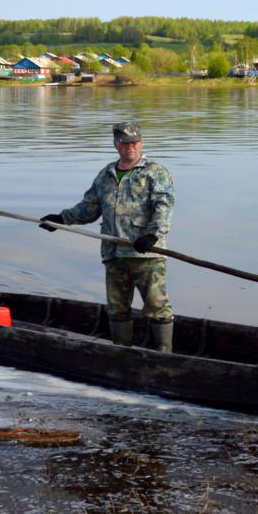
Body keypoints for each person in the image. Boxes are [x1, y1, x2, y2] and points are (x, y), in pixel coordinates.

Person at [41, 121, 176, 352]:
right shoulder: (106, 174)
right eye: (124, 143)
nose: (130, 147)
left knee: (157, 305)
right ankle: (120, 354)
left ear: (141, 143)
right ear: (116, 145)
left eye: (134, 142)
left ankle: (164, 355)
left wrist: (152, 236)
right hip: (113, 254)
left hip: (145, 254)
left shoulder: (156, 173)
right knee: (117, 308)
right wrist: (63, 219)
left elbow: (163, 208)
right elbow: (90, 207)